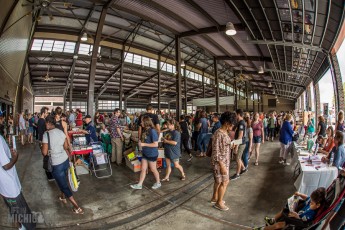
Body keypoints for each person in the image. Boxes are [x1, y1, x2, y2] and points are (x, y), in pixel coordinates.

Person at [41, 115, 83, 214]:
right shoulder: (60, 132)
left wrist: (43, 147)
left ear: (48, 123)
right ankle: (62, 197)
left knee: (63, 185)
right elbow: (65, 146)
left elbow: (44, 152)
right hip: (65, 160)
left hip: (56, 163)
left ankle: (77, 207)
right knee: (64, 179)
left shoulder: (46, 135)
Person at [0, 135, 36, 230]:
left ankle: (20, 227)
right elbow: (6, 166)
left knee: (14, 210)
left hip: (3, 186)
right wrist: (15, 157)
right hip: (9, 185)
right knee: (25, 215)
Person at [255, 188, 326, 230]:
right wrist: (299, 194)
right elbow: (307, 198)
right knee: (284, 209)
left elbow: (303, 223)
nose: (310, 203)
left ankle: (262, 229)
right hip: (295, 214)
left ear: (318, 205)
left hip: (296, 221)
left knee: (279, 225)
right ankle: (273, 220)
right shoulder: (311, 201)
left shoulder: (311, 214)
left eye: (312, 203)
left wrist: (297, 216)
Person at [211, 111, 237, 211]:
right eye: (232, 124)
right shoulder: (218, 133)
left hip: (224, 161)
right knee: (225, 181)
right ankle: (219, 202)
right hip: (220, 162)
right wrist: (222, 166)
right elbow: (216, 152)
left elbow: (223, 146)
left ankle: (215, 198)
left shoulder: (225, 132)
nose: (233, 126)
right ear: (226, 123)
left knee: (218, 181)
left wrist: (231, 145)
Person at [131, 116, 161, 190]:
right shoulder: (145, 130)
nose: (141, 123)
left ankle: (158, 182)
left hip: (151, 153)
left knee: (153, 169)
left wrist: (144, 144)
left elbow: (155, 144)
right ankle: (140, 184)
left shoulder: (152, 131)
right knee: (143, 169)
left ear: (146, 122)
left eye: (142, 122)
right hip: (145, 153)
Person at [230, 109, 246, 180]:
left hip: (241, 143)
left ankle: (237, 174)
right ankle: (243, 168)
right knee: (238, 158)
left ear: (239, 114)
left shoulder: (241, 123)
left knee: (238, 159)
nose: (235, 116)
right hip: (239, 142)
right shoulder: (239, 122)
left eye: (235, 114)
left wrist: (236, 146)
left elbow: (240, 136)